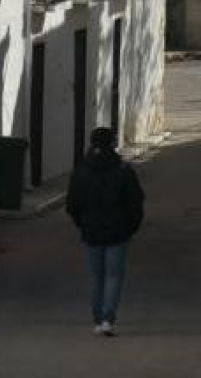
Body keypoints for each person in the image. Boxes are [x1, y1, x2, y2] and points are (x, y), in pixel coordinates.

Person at [66, 127, 145, 337]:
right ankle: (108, 319)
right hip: (118, 231)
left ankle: (98, 318)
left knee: (95, 277)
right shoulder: (123, 170)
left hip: (91, 231)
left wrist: (81, 223)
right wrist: (131, 226)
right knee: (113, 276)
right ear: (112, 143)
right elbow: (136, 202)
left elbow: (72, 204)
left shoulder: (81, 171)